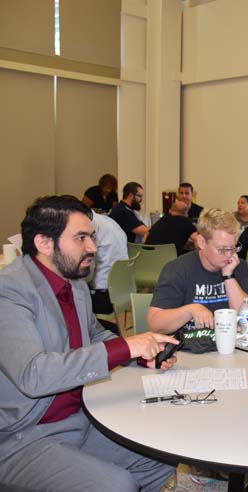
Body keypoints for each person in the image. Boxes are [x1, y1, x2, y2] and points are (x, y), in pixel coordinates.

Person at [0, 195, 178, 492]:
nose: (93, 248)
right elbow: (34, 374)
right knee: (116, 485)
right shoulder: (10, 291)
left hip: (80, 419)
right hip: (24, 436)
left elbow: (95, 337)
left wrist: (140, 355)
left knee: (160, 454)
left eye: (92, 237)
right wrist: (126, 347)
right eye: (81, 238)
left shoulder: (75, 284)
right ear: (45, 243)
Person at [147, 208, 248, 352]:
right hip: (187, 351)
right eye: (222, 249)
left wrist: (229, 276)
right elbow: (155, 323)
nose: (229, 254)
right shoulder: (177, 269)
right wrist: (190, 310)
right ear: (201, 242)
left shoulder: (238, 266)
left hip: (231, 348)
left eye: (233, 247)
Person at [88, 210, 128, 327]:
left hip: (102, 296)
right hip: (121, 290)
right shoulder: (108, 221)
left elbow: (87, 274)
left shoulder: (91, 226)